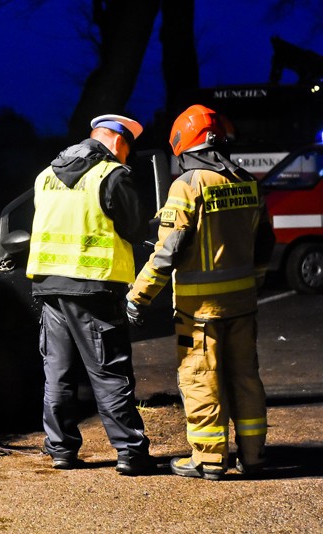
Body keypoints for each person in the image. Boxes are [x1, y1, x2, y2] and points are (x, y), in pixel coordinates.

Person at [126, 105, 275, 480]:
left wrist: (138, 295)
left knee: (200, 378)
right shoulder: (248, 181)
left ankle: (208, 460)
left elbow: (169, 250)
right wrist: (253, 283)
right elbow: (265, 244)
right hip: (242, 305)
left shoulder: (188, 185)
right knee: (245, 377)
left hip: (201, 311)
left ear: (185, 147)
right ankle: (254, 455)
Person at [26, 113, 153, 475]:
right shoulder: (112, 175)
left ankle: (61, 450)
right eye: (127, 149)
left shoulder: (46, 176)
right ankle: (130, 452)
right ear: (117, 141)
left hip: (50, 287)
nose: (126, 157)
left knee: (58, 373)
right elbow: (133, 228)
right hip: (94, 287)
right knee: (110, 372)